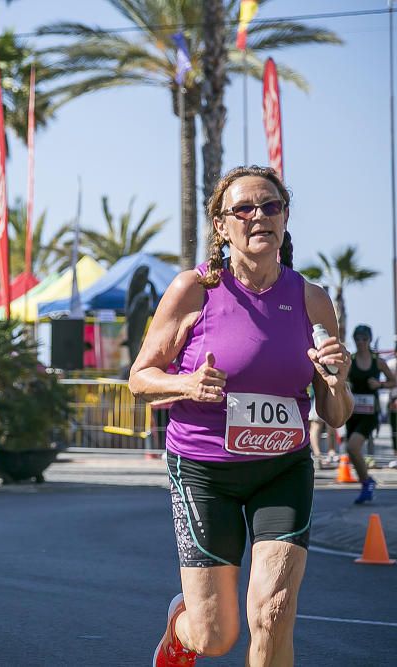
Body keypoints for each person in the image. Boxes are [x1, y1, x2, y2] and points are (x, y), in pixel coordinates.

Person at [129, 167, 353, 666]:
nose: (259, 217)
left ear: (286, 218)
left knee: (274, 611)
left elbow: (336, 415)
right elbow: (140, 377)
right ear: (221, 226)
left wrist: (336, 379)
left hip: (282, 470)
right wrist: (185, 384)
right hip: (205, 472)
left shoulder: (311, 299)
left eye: (271, 207)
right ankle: (180, 629)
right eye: (244, 209)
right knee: (215, 636)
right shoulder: (194, 290)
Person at [345, 324, 395, 503]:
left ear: (369, 340)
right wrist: (345, 385)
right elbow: (340, 380)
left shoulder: (377, 361)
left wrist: (380, 385)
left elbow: (393, 381)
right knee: (351, 451)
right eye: (357, 339)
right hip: (352, 412)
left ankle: (367, 482)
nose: (360, 342)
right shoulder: (349, 360)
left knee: (352, 447)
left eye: (364, 339)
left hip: (369, 413)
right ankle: (366, 482)